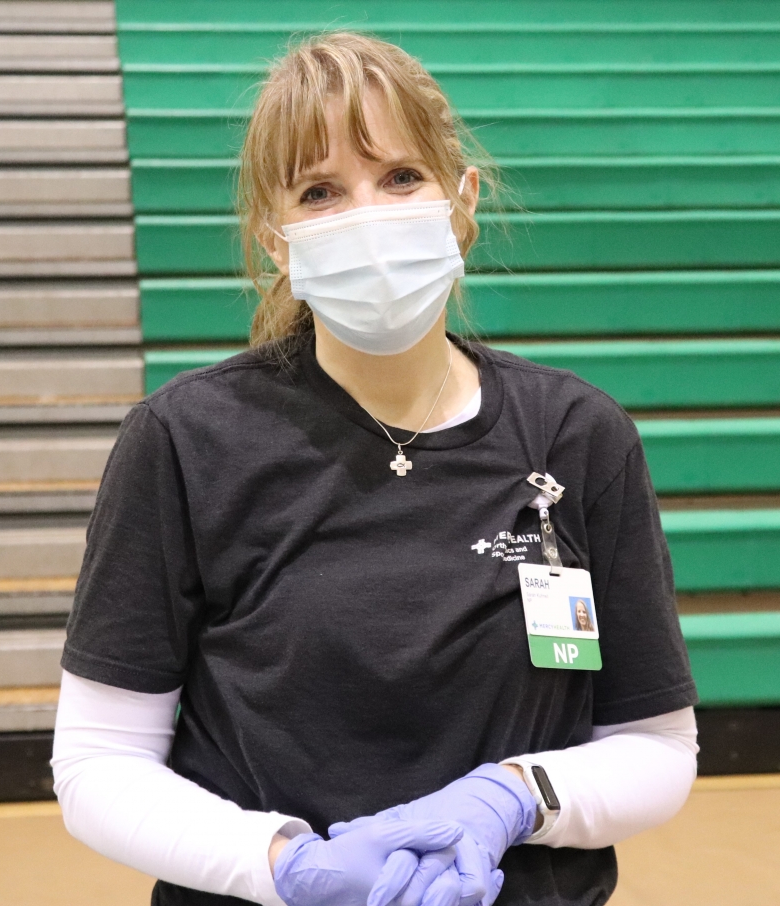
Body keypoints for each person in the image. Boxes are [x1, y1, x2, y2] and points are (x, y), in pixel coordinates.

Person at [51, 32, 699, 906]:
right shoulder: (183, 441)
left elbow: (656, 749)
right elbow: (99, 763)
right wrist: (282, 865)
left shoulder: (578, 436)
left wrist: (512, 797)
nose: (368, 215)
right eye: (320, 192)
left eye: (400, 177)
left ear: (461, 201)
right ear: (275, 241)